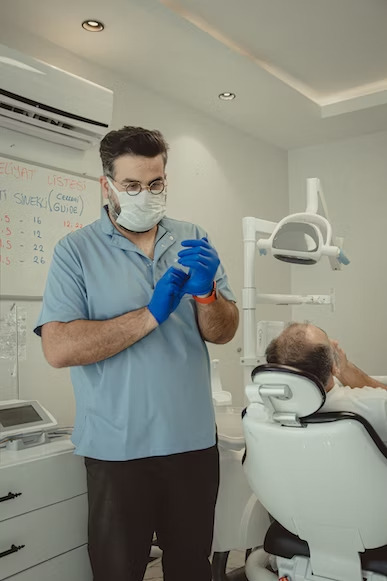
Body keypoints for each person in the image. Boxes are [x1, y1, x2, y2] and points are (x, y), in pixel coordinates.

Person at [34, 126, 239, 581]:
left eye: (155, 183)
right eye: (131, 186)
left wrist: (208, 298)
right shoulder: (76, 251)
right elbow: (59, 346)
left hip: (191, 443)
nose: (145, 194)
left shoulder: (192, 238)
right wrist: (149, 315)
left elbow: (224, 332)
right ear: (106, 184)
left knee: (191, 569)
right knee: (117, 572)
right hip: (116, 449)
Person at [265, 322, 387, 444]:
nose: (335, 342)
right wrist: (347, 370)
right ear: (333, 367)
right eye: (329, 343)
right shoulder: (377, 405)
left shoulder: (261, 410)